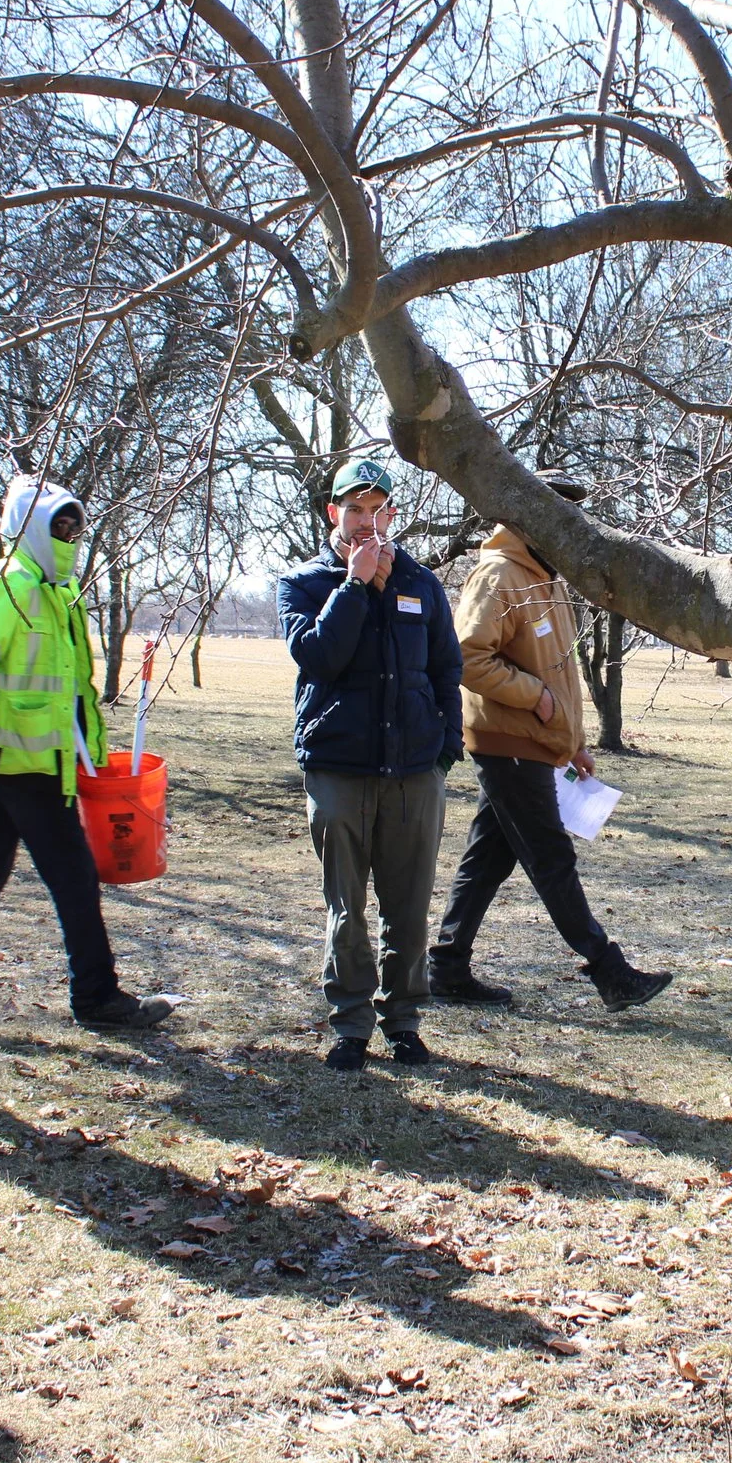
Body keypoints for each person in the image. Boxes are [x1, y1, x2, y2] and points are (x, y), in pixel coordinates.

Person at [0, 475, 171, 1028]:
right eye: (55, 526)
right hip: (16, 772)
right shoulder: (5, 592)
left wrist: (94, 754)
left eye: (73, 528)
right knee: (74, 878)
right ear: (24, 528)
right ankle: (96, 998)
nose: (67, 537)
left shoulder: (59, 596)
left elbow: (72, 688)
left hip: (51, 769)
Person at [428, 473, 671, 1011]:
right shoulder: (498, 575)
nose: (568, 525)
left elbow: (558, 674)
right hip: (506, 741)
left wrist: (572, 742)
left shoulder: (548, 578)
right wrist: (534, 698)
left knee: (488, 859)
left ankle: (446, 966)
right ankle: (610, 972)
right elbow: (467, 657)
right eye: (557, 514)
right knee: (550, 857)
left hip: (532, 743)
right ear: (527, 516)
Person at [276, 457, 464, 1070]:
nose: (365, 522)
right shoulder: (304, 583)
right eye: (353, 509)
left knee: (408, 910)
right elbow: (319, 656)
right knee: (347, 909)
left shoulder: (421, 583)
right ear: (333, 514)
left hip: (414, 771)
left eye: (377, 509)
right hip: (338, 768)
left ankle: (404, 1020)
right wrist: (354, 586)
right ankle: (351, 1024)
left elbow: (446, 670)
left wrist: (443, 751)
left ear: (392, 513)